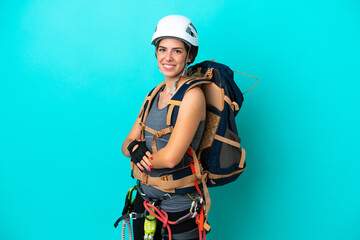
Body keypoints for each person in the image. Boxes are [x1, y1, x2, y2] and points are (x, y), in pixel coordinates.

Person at [121, 15, 206, 240]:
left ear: (190, 55)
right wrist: (133, 149)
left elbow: (170, 158)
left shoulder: (192, 96)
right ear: (156, 53)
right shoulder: (153, 94)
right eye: (162, 49)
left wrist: (135, 154)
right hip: (144, 202)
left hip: (178, 209)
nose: (168, 57)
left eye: (177, 51)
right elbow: (126, 143)